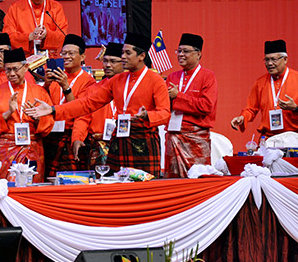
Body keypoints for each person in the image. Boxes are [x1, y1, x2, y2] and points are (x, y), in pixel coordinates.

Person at [25, 33, 171, 177]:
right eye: (122, 53)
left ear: (141, 56)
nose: (123, 57)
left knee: (144, 187)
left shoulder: (155, 80)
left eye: (127, 53)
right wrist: (52, 109)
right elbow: (87, 104)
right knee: (115, 185)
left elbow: (165, 114)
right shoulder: (117, 80)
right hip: (119, 138)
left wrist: (147, 116)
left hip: (144, 140)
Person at [0, 48, 54, 182]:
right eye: (8, 70)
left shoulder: (39, 92)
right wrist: (7, 113)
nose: (12, 73)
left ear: (25, 67)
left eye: (15, 69)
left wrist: (38, 119)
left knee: (32, 186)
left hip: (32, 147)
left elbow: (49, 123)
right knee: (6, 188)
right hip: (5, 149)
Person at [165, 34, 218, 178]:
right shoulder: (172, 77)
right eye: (179, 51)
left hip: (196, 138)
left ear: (198, 53)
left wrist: (179, 96)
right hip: (173, 135)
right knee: (172, 178)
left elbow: (206, 106)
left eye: (186, 51)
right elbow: (165, 106)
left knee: (198, 178)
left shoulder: (208, 76)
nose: (181, 54)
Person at [44, 34, 95, 175]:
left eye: (71, 53)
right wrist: (46, 85)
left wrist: (66, 87)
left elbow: (80, 110)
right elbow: (45, 104)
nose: (66, 57)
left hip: (71, 134)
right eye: (64, 53)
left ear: (83, 57)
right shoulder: (57, 74)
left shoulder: (88, 81)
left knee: (70, 179)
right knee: (48, 177)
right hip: (51, 134)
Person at [231, 40, 298, 138]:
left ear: (285, 59)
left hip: (294, 138)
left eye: (273, 59)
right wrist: (242, 117)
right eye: (266, 60)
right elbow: (251, 109)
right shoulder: (260, 83)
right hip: (268, 138)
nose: (269, 63)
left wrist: (295, 108)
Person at [3, 0, 68, 57]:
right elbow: (8, 36)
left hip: (49, 59)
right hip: (23, 59)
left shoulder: (56, 7)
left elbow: (63, 36)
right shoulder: (15, 8)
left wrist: (47, 35)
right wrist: (28, 37)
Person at [85, 42, 124, 168]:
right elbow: (83, 117)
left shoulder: (131, 88)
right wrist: (77, 138)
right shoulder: (93, 89)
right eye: (105, 61)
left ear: (124, 62)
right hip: (98, 144)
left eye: (113, 61)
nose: (108, 65)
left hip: (124, 142)